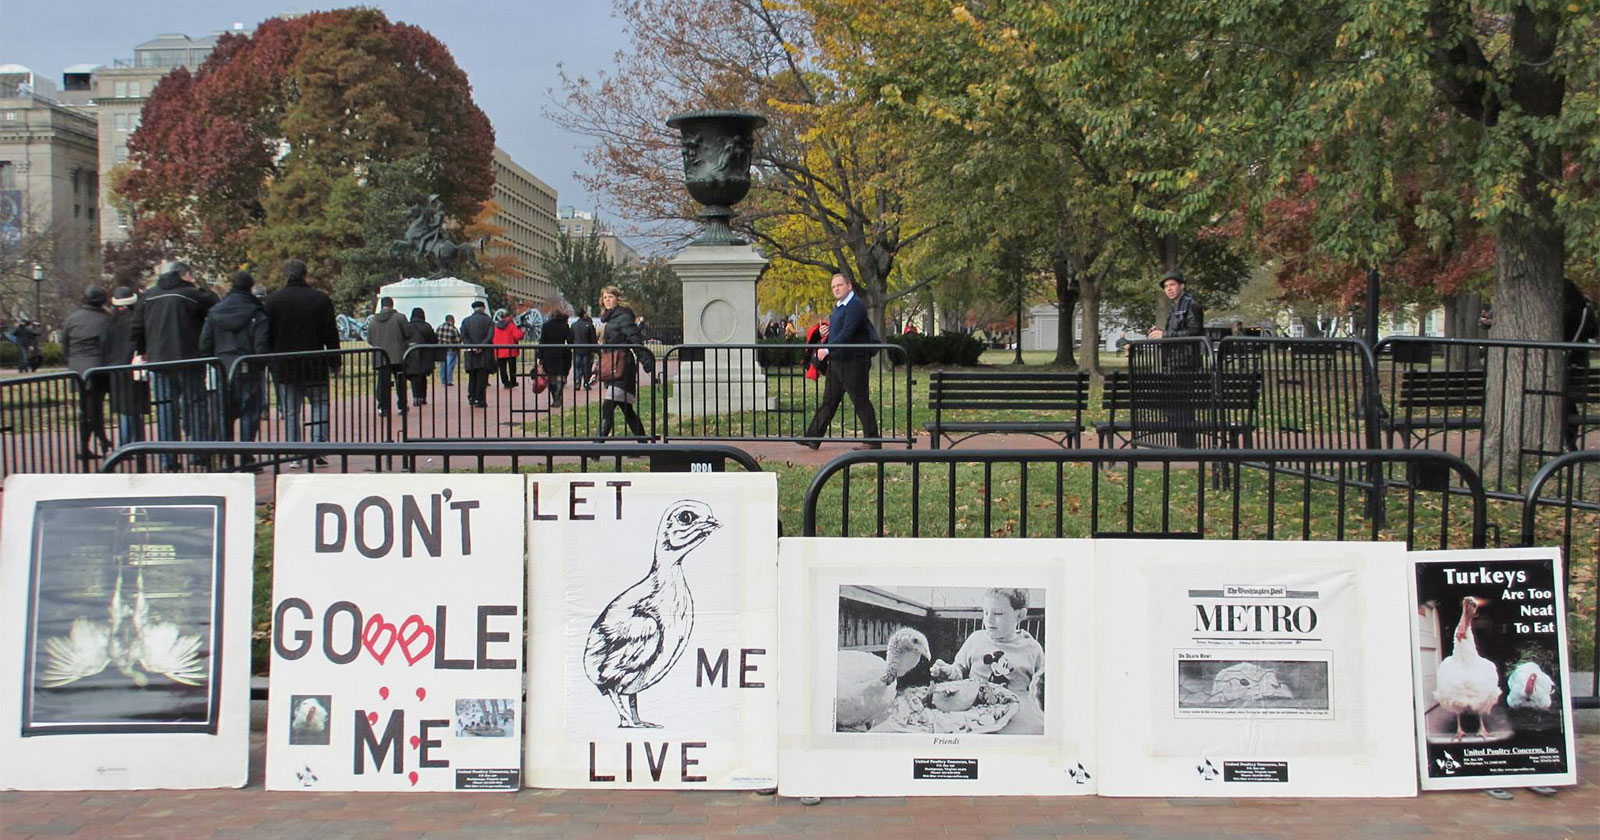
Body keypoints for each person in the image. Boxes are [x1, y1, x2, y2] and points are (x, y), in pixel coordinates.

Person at [133, 260, 219, 468]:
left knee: (165, 408)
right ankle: (199, 453)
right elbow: (213, 309)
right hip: (189, 357)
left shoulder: (148, 296)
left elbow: (136, 328)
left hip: (159, 360)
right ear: (185, 275)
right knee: (196, 405)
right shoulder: (192, 295)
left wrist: (143, 350)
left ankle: (168, 457)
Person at [928, 587, 1046, 733]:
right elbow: (959, 671)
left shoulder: (1032, 648)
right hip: (975, 716)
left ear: (1020, 615)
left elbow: (1042, 688)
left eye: (998, 614)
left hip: (1016, 719)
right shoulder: (976, 640)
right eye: (985, 612)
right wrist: (949, 672)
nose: (988, 620)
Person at [265, 258, 340, 465]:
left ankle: (294, 452)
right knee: (320, 404)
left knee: (291, 411)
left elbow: (267, 336)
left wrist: (270, 361)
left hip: (285, 365)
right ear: (305, 275)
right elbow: (330, 333)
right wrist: (335, 362)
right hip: (314, 363)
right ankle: (318, 446)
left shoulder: (273, 301)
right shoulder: (320, 299)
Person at [801, 274, 881, 450]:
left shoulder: (855, 306)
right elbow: (840, 332)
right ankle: (813, 437)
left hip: (854, 362)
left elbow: (848, 332)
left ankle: (873, 440)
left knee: (860, 400)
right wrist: (826, 332)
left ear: (849, 286)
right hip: (838, 362)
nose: (836, 289)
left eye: (839, 285)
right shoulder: (839, 307)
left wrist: (827, 349)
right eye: (833, 287)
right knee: (829, 401)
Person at [199, 271, 271, 446]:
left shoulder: (215, 312)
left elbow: (204, 343)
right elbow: (261, 344)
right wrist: (261, 364)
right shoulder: (257, 312)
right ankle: (246, 455)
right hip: (248, 366)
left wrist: (213, 361)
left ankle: (226, 452)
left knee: (223, 412)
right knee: (250, 413)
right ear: (250, 287)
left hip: (222, 367)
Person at [62, 285, 113, 460]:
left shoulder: (72, 319)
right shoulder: (106, 320)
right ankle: (97, 442)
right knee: (94, 410)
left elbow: (65, 345)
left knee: (87, 410)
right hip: (98, 369)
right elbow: (108, 346)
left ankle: (95, 442)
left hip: (77, 369)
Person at [596, 286, 648, 439]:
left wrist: (647, 363)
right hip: (613, 367)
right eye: (605, 297)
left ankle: (596, 448)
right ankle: (643, 442)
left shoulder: (623, 316)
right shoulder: (610, 318)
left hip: (623, 368)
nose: (607, 300)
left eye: (610, 297)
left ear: (618, 299)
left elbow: (635, 340)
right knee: (626, 409)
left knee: (608, 406)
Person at [102, 286, 149, 447]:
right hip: (134, 367)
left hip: (115, 369)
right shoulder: (137, 321)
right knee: (135, 408)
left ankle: (128, 443)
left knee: (125, 409)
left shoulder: (109, 323)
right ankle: (134, 442)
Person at [366, 296, 413, 416]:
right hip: (398, 355)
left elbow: (370, 339)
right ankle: (402, 406)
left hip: (381, 356)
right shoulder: (399, 317)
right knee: (400, 382)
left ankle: (383, 407)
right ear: (392, 305)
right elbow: (409, 333)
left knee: (382, 383)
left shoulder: (372, 321)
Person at [1149, 270, 1204, 340]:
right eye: (1166, 286)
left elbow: (1194, 332)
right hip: (1176, 349)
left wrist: (1164, 334)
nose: (1168, 289)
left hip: (1187, 349)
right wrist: (1159, 332)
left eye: (1172, 285)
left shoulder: (1191, 304)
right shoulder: (1174, 306)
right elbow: (1175, 331)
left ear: (1182, 286)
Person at [537, 304, 573, 407]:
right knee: (560, 376)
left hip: (549, 354)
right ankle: (558, 395)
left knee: (551, 376)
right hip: (562, 353)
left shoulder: (546, 326)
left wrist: (539, 356)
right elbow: (570, 340)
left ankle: (555, 398)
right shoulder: (565, 326)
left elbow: (542, 341)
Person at [460, 300, 493, 407]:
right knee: (482, 378)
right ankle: (480, 399)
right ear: (483, 308)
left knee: (472, 376)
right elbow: (490, 336)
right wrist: (481, 346)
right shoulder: (488, 320)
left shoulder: (466, 321)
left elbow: (464, 336)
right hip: (485, 352)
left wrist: (472, 346)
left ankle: (471, 396)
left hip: (471, 353)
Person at [404, 307, 438, 406]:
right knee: (423, 377)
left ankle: (416, 397)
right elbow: (433, 341)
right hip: (425, 355)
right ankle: (423, 397)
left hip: (411, 354)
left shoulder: (408, 326)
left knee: (414, 377)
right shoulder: (427, 326)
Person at [491, 307, 524, 388]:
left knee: (502, 368)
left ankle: (505, 382)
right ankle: (513, 381)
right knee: (512, 368)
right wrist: (522, 332)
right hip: (511, 350)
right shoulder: (511, 325)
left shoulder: (496, 326)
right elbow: (518, 336)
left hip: (499, 350)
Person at [571, 307, 598, 389]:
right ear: (584, 314)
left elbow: (570, 338)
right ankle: (586, 382)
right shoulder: (589, 325)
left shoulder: (573, 325)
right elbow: (593, 339)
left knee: (577, 366)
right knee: (586, 367)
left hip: (576, 348)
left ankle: (577, 381)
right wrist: (595, 350)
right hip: (587, 349)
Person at [435, 313, 460, 386]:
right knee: (450, 365)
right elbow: (458, 340)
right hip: (451, 349)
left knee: (443, 365)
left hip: (441, 349)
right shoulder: (453, 329)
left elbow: (436, 337)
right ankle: (448, 380)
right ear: (452, 320)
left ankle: (443, 380)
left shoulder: (439, 327)